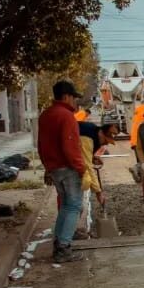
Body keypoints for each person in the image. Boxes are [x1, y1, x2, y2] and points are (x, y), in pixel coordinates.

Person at [37, 80, 86, 263]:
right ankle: (64, 248)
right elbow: (70, 147)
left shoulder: (46, 115)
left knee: (65, 205)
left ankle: (59, 243)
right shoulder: (65, 116)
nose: (75, 102)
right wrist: (81, 169)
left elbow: (41, 145)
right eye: (74, 98)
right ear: (66, 96)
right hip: (68, 169)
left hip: (54, 168)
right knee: (73, 206)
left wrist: (47, 168)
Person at [75, 120, 118, 238]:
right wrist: (98, 192)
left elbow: (84, 155)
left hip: (71, 165)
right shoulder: (87, 137)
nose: (105, 144)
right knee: (75, 203)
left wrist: (93, 156)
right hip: (66, 169)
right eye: (105, 141)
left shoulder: (92, 132)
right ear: (101, 133)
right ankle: (70, 233)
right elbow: (86, 165)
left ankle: (71, 231)